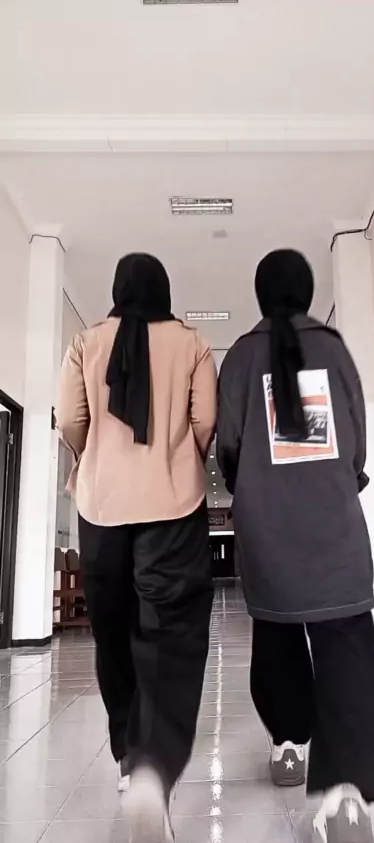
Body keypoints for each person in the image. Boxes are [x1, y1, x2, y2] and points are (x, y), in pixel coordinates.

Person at [216, 249, 374, 843]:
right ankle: (345, 801)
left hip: (267, 527)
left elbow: (229, 445)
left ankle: (289, 745)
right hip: (333, 525)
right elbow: (357, 442)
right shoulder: (335, 349)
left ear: (260, 294)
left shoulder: (240, 356)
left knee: (277, 637)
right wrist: (335, 479)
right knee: (346, 649)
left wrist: (251, 482)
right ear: (309, 292)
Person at [56, 252, 217, 843]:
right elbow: (206, 422)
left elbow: (70, 422)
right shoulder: (192, 343)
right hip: (173, 506)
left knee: (113, 631)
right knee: (167, 632)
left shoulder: (85, 342)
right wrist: (180, 460)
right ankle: (153, 765)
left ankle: (128, 755)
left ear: (117, 289)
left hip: (101, 508)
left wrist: (95, 458)